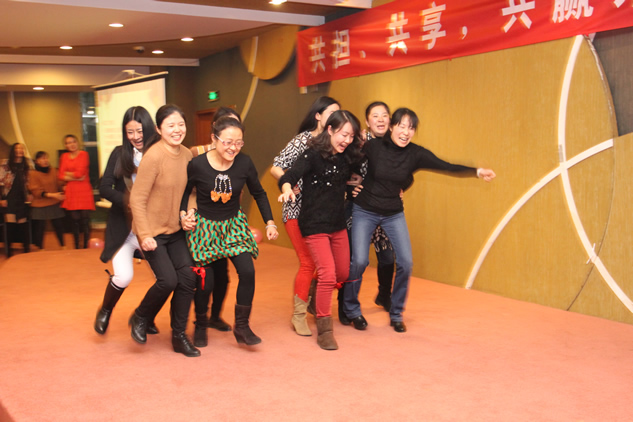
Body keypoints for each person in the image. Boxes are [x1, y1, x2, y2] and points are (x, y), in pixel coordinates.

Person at [344, 108, 496, 333]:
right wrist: (350, 186)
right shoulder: (374, 146)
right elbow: (347, 161)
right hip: (365, 210)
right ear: (392, 127)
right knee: (358, 261)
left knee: (405, 263)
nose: (406, 132)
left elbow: (447, 166)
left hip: (393, 213)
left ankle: (396, 313)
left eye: (411, 128)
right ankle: (352, 309)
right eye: (402, 126)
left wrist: (477, 171)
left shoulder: (416, 154)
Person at [181, 116, 278, 347]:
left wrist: (270, 222)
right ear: (214, 139)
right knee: (206, 282)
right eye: (227, 142)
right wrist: (183, 214)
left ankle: (242, 326)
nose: (233, 148)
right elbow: (184, 192)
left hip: (233, 225)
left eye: (238, 143)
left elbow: (259, 192)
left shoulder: (244, 163)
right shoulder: (198, 164)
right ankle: (201, 324)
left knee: (247, 272)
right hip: (205, 228)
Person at [278, 110, 363, 350]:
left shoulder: (348, 156)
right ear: (330, 130)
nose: (346, 140)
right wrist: (286, 188)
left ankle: (315, 294)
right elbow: (289, 175)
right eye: (343, 134)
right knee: (327, 274)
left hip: (337, 224)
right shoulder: (312, 154)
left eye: (351, 136)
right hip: (314, 223)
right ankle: (325, 329)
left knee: (342, 273)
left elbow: (369, 166)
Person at [128, 104, 200, 357]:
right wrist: (145, 235)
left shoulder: (188, 155)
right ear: (159, 129)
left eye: (181, 124)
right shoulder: (154, 156)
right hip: (152, 232)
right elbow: (137, 199)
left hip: (176, 230)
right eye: (170, 125)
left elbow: (191, 192)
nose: (177, 129)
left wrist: (190, 213)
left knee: (188, 279)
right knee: (168, 280)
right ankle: (140, 316)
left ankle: (179, 336)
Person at [270, 96, 340, 336]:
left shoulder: (335, 143)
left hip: (322, 212)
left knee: (328, 264)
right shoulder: (303, 140)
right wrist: (290, 183)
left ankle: (311, 298)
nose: (335, 117)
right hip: (296, 210)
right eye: (330, 113)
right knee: (308, 262)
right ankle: (298, 315)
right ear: (318, 116)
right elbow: (277, 165)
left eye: (338, 113)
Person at [94, 106, 160, 335]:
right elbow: (104, 187)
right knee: (124, 276)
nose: (135, 136)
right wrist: (127, 200)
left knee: (165, 279)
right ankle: (105, 310)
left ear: (149, 128)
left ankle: (144, 316)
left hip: (152, 229)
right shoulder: (119, 153)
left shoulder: (160, 151)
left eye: (139, 131)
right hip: (124, 229)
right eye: (130, 132)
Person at [188, 106, 242, 334]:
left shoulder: (236, 156)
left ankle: (215, 316)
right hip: (201, 225)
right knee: (203, 277)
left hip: (227, 225)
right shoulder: (196, 153)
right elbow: (187, 188)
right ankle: (200, 320)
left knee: (223, 276)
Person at [58, 134, 95, 249]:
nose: (71, 144)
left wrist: (68, 174)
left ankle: (85, 245)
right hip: (71, 191)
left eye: (73, 141)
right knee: (74, 220)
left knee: (84, 220)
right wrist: (75, 177)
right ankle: (77, 246)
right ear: (65, 145)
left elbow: (80, 174)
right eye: (68, 143)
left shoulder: (84, 154)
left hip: (83, 190)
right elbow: (60, 175)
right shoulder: (64, 156)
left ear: (77, 142)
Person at [28, 151, 66, 250]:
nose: (45, 160)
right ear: (37, 161)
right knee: (40, 228)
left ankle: (63, 246)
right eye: (42, 158)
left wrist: (65, 187)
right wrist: (53, 195)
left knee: (59, 225)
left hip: (54, 202)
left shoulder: (53, 171)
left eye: (46, 158)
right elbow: (36, 191)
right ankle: (41, 248)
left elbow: (59, 183)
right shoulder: (33, 173)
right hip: (39, 204)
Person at [0, 143, 32, 256]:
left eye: (21, 148)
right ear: (13, 150)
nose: (19, 150)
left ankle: (26, 249)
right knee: (10, 225)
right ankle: (9, 251)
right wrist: (2, 199)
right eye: (17, 148)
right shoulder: (5, 164)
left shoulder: (25, 165)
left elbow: (28, 183)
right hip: (9, 198)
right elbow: (1, 183)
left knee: (23, 225)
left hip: (22, 199)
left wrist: (29, 194)